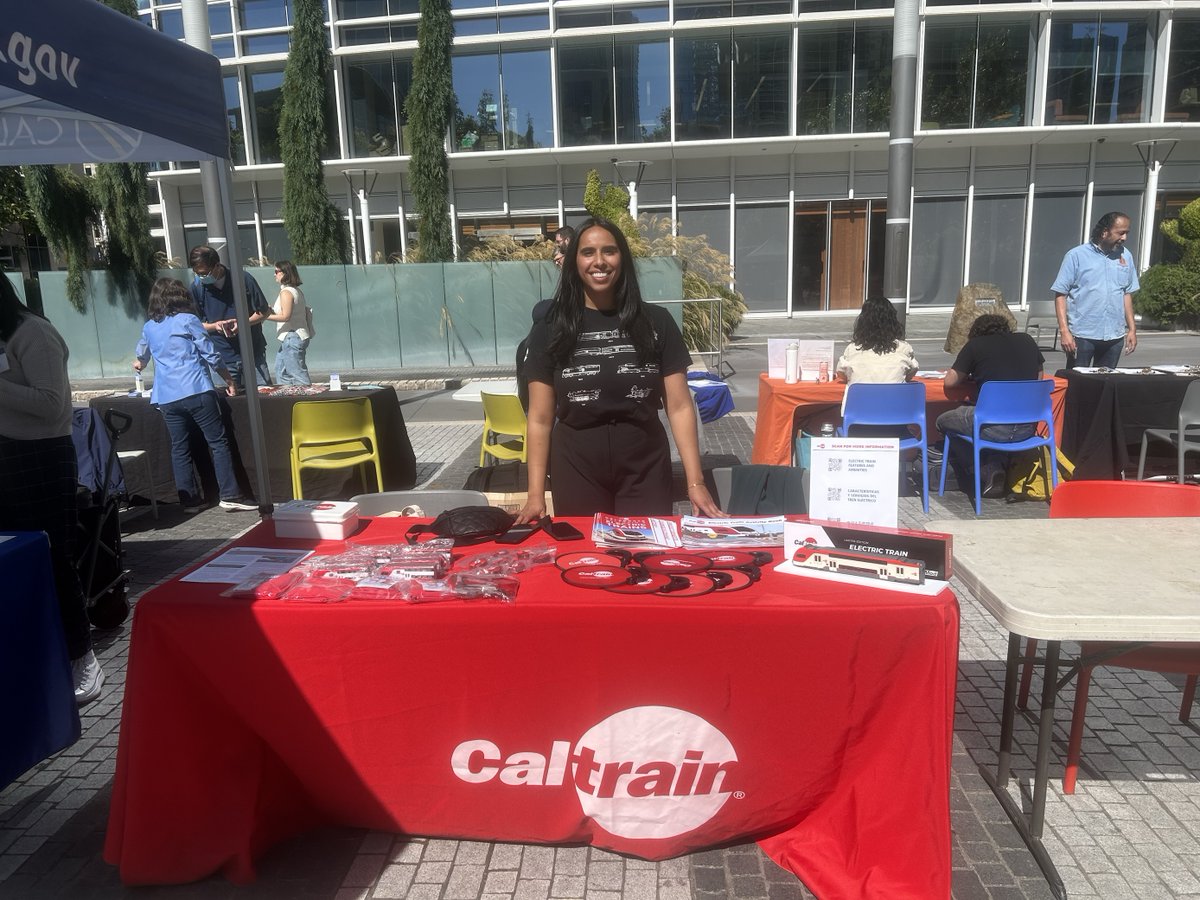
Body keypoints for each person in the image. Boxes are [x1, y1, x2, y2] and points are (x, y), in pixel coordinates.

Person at [516, 218, 723, 521]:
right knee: (586, 549)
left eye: (609, 251)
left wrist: (696, 482)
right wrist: (535, 496)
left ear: (622, 258)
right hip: (575, 465)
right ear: (574, 262)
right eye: (588, 252)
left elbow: (679, 407)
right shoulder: (550, 327)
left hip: (645, 465)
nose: (599, 261)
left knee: (646, 546)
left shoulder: (657, 322)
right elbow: (540, 417)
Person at [0, 274, 104, 704]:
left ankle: (84, 658)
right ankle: (38, 657)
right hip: (6, 457)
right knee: (14, 558)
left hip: (41, 457)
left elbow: (51, 404)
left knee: (52, 557)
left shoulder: (33, 333)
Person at [133, 278, 257, 513]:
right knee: (218, 443)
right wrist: (229, 380)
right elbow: (211, 354)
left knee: (180, 448)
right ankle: (230, 494)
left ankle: (189, 500)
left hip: (166, 397)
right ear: (179, 296)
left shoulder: (149, 327)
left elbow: (142, 355)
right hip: (195, 388)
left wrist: (140, 362)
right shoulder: (188, 320)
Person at [935, 314, 1045, 499]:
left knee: (943, 422)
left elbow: (950, 382)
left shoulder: (975, 345)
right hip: (1027, 427)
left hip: (992, 427)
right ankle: (996, 465)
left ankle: (982, 469)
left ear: (976, 332)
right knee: (982, 421)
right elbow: (1039, 378)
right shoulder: (1027, 340)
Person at [1051, 211, 1139, 369]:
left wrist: (1132, 329)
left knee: (1106, 381)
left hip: (1114, 336)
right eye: (1120, 233)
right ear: (1104, 232)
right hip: (1083, 335)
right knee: (1078, 381)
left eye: (1127, 233)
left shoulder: (1126, 256)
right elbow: (1060, 294)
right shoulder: (1076, 256)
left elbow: (1126, 294)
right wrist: (1064, 331)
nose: (1124, 238)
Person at [188, 245, 273, 390]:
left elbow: (264, 311)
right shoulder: (197, 287)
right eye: (197, 273)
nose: (201, 277)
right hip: (221, 358)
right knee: (227, 400)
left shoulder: (242, 279)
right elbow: (194, 324)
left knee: (263, 397)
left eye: (205, 273)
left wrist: (243, 324)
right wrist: (215, 326)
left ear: (217, 265)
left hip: (253, 354)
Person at [835, 295, 919, 384]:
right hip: (895, 393)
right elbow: (911, 371)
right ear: (893, 322)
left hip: (862, 393)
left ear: (862, 322)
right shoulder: (904, 348)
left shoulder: (852, 349)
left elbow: (841, 373)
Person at [266, 260, 312, 385]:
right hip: (293, 336)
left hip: (292, 337)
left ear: (284, 273)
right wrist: (272, 311)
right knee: (281, 371)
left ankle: (306, 395)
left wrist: (266, 316)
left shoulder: (286, 292)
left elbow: (286, 316)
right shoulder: (295, 291)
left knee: (297, 374)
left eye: (276, 271)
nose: (274, 274)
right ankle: (289, 395)